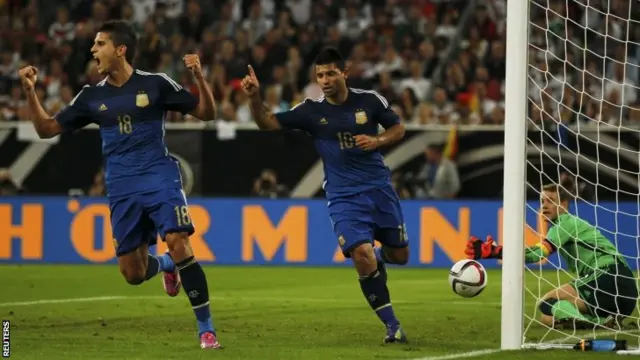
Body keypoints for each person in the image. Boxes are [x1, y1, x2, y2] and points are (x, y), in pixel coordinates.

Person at [17, 20, 221, 349]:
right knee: (133, 274)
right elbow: (47, 129)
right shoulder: (90, 97)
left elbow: (207, 113)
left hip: (159, 176)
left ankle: (206, 330)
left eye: (100, 44)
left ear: (120, 50)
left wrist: (199, 77)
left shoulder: (156, 85)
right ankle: (166, 264)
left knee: (179, 241)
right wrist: (29, 91)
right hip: (122, 187)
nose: (93, 50)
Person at [241, 47, 410, 344]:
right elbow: (266, 123)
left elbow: (398, 128)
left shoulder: (370, 101)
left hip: (379, 189)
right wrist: (254, 98)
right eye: (320, 75)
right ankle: (392, 325)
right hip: (343, 196)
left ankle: (380, 256)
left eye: (331, 73)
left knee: (401, 255)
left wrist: (378, 140)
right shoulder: (311, 111)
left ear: (344, 73)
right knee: (361, 252)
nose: (325, 80)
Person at [466, 181, 638, 329]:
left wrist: (498, 252)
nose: (545, 205)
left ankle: (595, 323)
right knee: (547, 318)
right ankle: (604, 321)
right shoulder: (564, 226)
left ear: (563, 205)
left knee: (546, 302)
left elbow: (538, 254)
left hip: (610, 276)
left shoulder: (566, 223)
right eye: (542, 201)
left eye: (551, 201)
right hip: (625, 296)